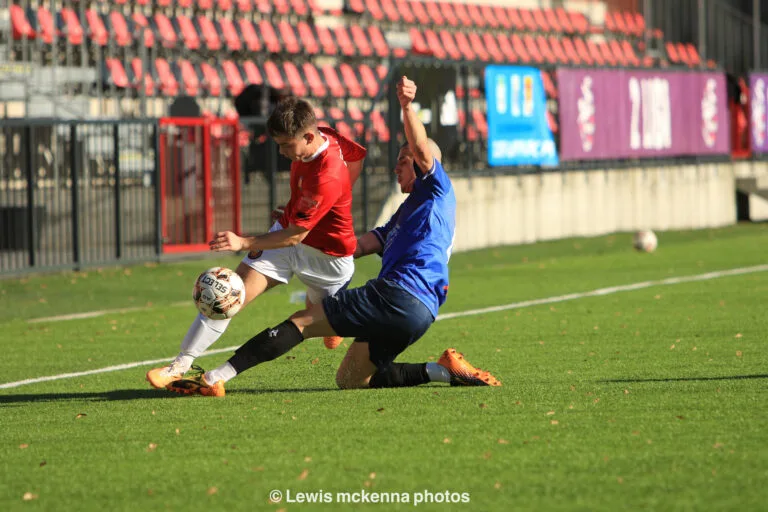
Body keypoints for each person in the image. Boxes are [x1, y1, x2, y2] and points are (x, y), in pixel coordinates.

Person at [167, 76, 501, 397]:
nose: (397, 168)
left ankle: (215, 377)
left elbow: (422, 150)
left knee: (301, 323)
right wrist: (317, 232)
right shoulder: (410, 209)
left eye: (403, 161)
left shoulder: (437, 189)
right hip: (421, 313)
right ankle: (442, 370)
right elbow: (368, 243)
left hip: (396, 293)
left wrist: (407, 106)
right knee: (352, 379)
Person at [146, 96, 366, 390]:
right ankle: (179, 366)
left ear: (310, 137)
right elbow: (357, 156)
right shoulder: (325, 137)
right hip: (286, 239)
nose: (281, 151)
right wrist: (304, 209)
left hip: (327, 259)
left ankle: (327, 316)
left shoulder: (327, 176)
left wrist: (243, 241)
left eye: (287, 145)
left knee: (321, 315)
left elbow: (296, 235)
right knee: (225, 296)